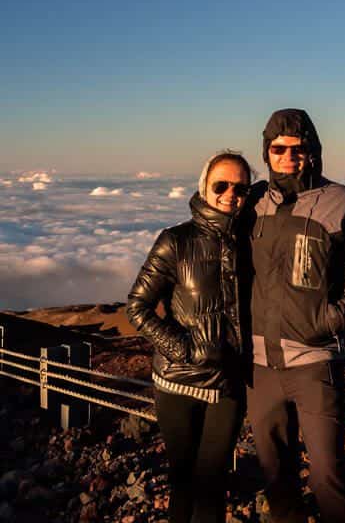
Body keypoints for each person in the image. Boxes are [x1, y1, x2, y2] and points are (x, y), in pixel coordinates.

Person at [244, 108, 345, 523]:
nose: (289, 155)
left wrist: (336, 318)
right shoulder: (253, 202)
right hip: (258, 367)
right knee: (277, 475)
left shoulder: (341, 202)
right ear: (267, 152)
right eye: (279, 148)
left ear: (313, 152)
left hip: (314, 363)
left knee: (329, 473)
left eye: (299, 148)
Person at [127, 151, 252, 523]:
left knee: (213, 483)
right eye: (221, 185)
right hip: (178, 383)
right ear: (204, 188)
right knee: (184, 482)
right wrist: (184, 350)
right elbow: (137, 306)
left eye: (240, 188)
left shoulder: (250, 243)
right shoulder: (175, 241)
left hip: (229, 384)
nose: (231, 194)